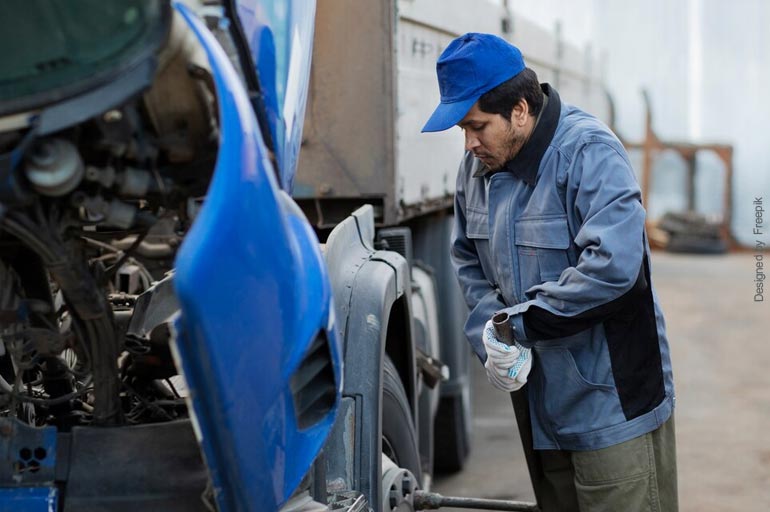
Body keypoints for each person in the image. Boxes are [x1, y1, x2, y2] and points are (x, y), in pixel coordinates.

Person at [422, 33, 678, 512]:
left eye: (477, 126)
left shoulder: (589, 152)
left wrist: (513, 326)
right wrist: (489, 335)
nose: (469, 142)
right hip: (541, 409)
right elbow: (467, 259)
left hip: (611, 408)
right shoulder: (475, 170)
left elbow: (614, 270)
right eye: (462, 129)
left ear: (520, 110)